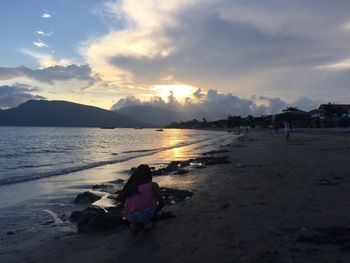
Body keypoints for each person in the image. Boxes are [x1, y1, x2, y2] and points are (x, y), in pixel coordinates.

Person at [116, 164, 165, 231]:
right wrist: (154, 213)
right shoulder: (153, 185)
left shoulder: (130, 186)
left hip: (129, 217)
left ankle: (134, 225)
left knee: (135, 200)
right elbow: (162, 203)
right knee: (153, 196)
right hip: (145, 215)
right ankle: (146, 223)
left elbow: (124, 204)